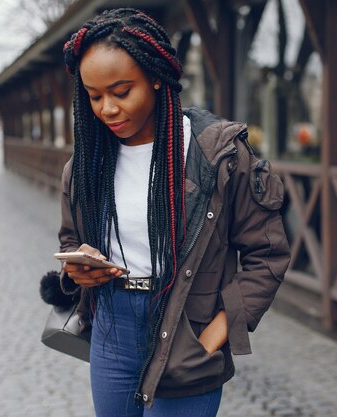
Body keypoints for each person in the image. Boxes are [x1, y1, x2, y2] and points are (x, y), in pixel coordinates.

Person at [57, 8, 290, 417]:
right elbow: (70, 240)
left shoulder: (217, 156)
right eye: (94, 97)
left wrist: (217, 332)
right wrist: (79, 267)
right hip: (112, 329)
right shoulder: (86, 166)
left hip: (187, 328)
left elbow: (266, 255)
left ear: (156, 77)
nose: (107, 109)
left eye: (121, 91)